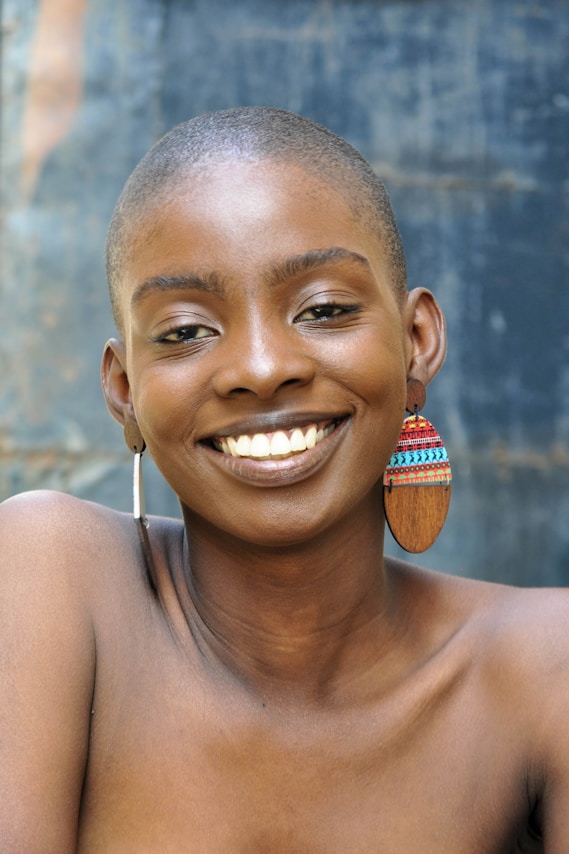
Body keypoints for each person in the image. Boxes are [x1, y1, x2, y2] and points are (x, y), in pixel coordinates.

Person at [1, 106, 567, 853]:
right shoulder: (49, 577)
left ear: (417, 343)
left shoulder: (540, 667)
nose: (263, 370)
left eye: (323, 309)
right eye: (185, 332)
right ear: (124, 390)